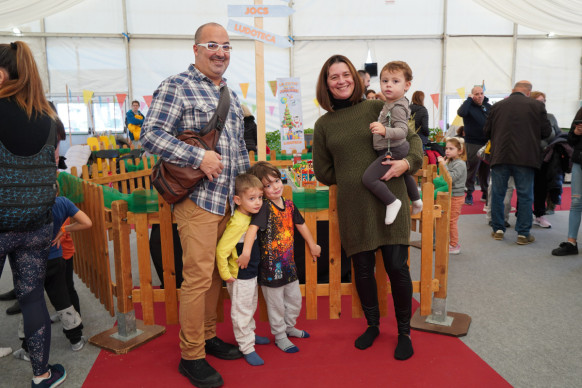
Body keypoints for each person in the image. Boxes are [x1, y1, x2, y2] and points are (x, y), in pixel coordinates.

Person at [140, 22, 249, 388]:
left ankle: (206, 335)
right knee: (198, 278)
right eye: (213, 45)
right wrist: (198, 156)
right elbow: (150, 135)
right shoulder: (177, 85)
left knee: (216, 275)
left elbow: (238, 149)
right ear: (196, 49)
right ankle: (191, 356)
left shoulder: (230, 95)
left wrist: (246, 191)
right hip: (197, 199)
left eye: (227, 46)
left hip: (227, 202)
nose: (221, 52)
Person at [313, 54, 423, 360]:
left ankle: (404, 331)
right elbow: (322, 170)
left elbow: (414, 142)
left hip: (390, 199)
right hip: (354, 206)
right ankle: (373, 325)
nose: (341, 80)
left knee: (396, 267)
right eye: (333, 76)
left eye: (345, 74)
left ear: (357, 78)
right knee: (362, 269)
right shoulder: (323, 125)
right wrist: (351, 177)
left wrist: (405, 163)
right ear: (326, 84)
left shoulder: (379, 107)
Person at [0, 40, 67, 387]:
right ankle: (42, 375)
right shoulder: (48, 117)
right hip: (36, 224)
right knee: (32, 297)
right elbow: (51, 167)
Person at [242, 161, 321, 354]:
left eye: (276, 181)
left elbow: (301, 225)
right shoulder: (265, 208)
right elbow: (252, 229)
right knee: (276, 306)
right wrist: (245, 251)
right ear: (261, 190)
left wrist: (312, 244)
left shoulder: (290, 205)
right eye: (267, 186)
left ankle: (289, 327)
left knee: (295, 300)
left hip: (289, 267)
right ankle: (279, 336)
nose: (275, 187)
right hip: (270, 270)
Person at [13, 193, 92, 361]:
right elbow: (87, 222)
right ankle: (76, 340)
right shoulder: (62, 202)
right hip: (55, 258)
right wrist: (64, 229)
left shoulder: (22, 202)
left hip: (30, 261)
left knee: (31, 303)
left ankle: (27, 349)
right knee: (63, 300)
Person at [484, 80, 551, 244]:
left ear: (513, 90)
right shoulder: (537, 106)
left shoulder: (497, 106)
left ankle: (498, 229)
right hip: (525, 158)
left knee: (498, 195)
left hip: (500, 156)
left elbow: (486, 132)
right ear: (529, 92)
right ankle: (523, 233)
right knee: (525, 196)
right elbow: (547, 132)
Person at [215, 173, 269, 366]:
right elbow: (222, 250)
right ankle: (246, 346)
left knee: (250, 306)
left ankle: (250, 335)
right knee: (241, 311)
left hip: (251, 272)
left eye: (260, 198)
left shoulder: (249, 217)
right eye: (252, 198)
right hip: (240, 275)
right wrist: (225, 274)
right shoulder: (238, 222)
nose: (257, 203)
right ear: (238, 200)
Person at [362, 61, 422, 225]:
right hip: (395, 148)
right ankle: (416, 199)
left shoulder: (397, 107)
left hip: (393, 149)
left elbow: (402, 131)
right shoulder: (393, 102)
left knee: (368, 179)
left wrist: (384, 130)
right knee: (404, 173)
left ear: (407, 85)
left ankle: (392, 202)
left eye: (395, 81)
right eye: (385, 81)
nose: (388, 85)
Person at [551, 106, 582, 256]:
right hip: (579, 163)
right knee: (576, 203)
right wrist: (576, 133)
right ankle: (571, 242)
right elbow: (570, 140)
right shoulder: (580, 112)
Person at [530, 91, 561, 229]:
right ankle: (522, 214)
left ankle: (540, 215)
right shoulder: (526, 117)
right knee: (526, 188)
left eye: (544, 101)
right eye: (538, 101)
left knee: (542, 188)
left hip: (547, 159)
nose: (542, 103)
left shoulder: (551, 117)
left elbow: (558, 134)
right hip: (528, 157)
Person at [457, 85, 492, 205]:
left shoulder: (488, 107)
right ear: (472, 95)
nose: (479, 96)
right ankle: (470, 193)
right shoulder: (468, 106)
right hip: (473, 142)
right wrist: (468, 100)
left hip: (487, 143)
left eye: (481, 93)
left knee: (485, 170)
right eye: (476, 94)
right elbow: (461, 112)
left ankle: (485, 191)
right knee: (472, 168)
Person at [437, 137, 467, 254]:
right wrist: (444, 164)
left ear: (460, 151)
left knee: (452, 221)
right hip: (450, 194)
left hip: (456, 197)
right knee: (447, 220)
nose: (447, 151)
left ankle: (454, 245)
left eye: (451, 148)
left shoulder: (460, 164)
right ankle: (449, 242)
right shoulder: (451, 161)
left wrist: (443, 165)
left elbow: (450, 178)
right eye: (446, 148)